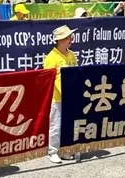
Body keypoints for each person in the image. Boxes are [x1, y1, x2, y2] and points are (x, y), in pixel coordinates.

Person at [43, 25, 78, 164]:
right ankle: (52, 151)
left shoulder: (71, 54)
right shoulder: (51, 58)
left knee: (67, 124)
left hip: (71, 95)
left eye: (70, 36)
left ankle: (64, 150)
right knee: (55, 125)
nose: (71, 39)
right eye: (68, 37)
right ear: (61, 40)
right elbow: (48, 80)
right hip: (56, 97)